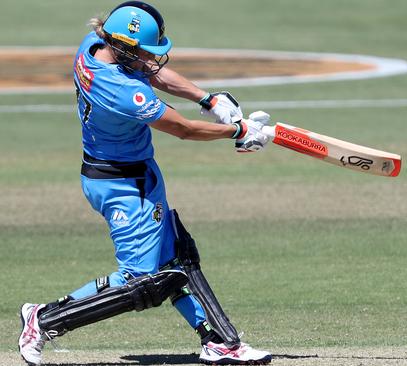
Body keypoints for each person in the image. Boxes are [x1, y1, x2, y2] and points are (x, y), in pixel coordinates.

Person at [18, 2, 272, 365]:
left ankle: (219, 341)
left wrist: (209, 98)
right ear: (121, 47)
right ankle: (42, 320)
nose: (150, 60)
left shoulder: (94, 44)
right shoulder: (120, 89)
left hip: (133, 173)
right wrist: (237, 131)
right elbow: (182, 129)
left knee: (176, 257)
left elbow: (149, 72)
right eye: (142, 53)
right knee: (143, 282)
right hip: (122, 185)